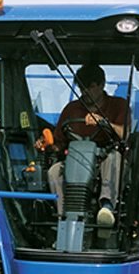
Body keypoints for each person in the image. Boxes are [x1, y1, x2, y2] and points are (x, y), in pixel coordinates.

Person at [35, 63, 128, 226]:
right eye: (82, 88)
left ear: (101, 84)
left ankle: (106, 207)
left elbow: (124, 134)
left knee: (115, 157)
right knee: (54, 171)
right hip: (75, 158)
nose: (85, 92)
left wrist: (104, 122)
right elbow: (59, 143)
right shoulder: (71, 109)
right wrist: (47, 144)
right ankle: (63, 215)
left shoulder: (118, 105)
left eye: (90, 87)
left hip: (104, 156)